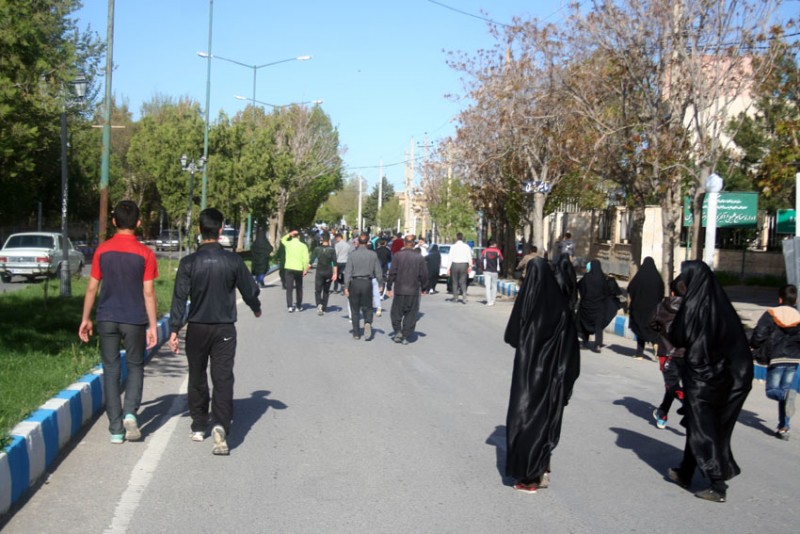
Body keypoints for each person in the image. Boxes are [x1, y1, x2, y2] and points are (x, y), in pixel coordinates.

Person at [168, 208, 262, 455]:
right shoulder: (233, 261)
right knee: (222, 378)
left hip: (197, 327)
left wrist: (174, 329)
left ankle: (199, 425)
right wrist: (256, 307)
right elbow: (249, 289)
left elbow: (179, 298)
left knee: (197, 376)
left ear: (199, 230)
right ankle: (220, 424)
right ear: (220, 230)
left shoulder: (188, 263)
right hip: (224, 329)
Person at [668, 260, 753, 503]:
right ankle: (686, 471)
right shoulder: (721, 303)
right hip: (733, 377)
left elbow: (679, 336)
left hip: (704, 377)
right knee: (702, 425)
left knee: (704, 428)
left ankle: (718, 484)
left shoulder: (694, 304)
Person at [79, 200, 158, 444]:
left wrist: (85, 319)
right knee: (135, 366)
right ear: (138, 223)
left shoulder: (103, 250)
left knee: (111, 369)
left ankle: (115, 428)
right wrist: (153, 325)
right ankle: (131, 414)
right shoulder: (146, 253)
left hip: (107, 318)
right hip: (134, 319)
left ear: (114, 222)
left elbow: (93, 287)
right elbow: (148, 292)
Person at [504, 257, 580, 493]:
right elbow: (572, 355)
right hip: (554, 380)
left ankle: (530, 478)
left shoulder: (529, 307)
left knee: (524, 423)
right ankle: (542, 468)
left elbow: (511, 337)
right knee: (546, 423)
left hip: (528, 379)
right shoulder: (563, 310)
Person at [749, 284, 800, 441]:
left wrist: (753, 346)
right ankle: (784, 428)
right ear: (795, 299)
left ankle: (786, 396)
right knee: (786, 394)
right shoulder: (798, 316)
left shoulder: (771, 314)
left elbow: (759, 334)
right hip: (794, 359)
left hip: (776, 358)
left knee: (772, 391)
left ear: (779, 298)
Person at [649, 277, 687, 430]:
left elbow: (653, 323)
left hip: (667, 351)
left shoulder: (663, 305)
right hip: (686, 353)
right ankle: (663, 413)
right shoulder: (693, 307)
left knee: (671, 386)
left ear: (672, 291)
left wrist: (663, 334)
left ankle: (684, 402)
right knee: (672, 385)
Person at [386, 235, 429, 344]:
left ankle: (398, 332)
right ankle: (405, 335)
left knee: (396, 313)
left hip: (400, 289)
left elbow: (392, 273)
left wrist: (389, 287)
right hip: (413, 290)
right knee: (411, 314)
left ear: (404, 243)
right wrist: (424, 287)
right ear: (414, 244)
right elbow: (424, 274)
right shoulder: (419, 257)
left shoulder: (397, 256)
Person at [344, 232, 382, 340]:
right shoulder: (373, 254)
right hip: (367, 283)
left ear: (358, 242)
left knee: (354, 308)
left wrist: (346, 287)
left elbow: (348, 272)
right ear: (368, 242)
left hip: (355, 283)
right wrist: (381, 283)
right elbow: (378, 270)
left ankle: (356, 333)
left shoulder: (352, 255)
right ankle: (368, 322)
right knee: (368, 307)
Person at [627, 257, 665, 359]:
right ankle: (656, 344)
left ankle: (639, 354)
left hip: (640, 309)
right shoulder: (657, 278)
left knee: (640, 329)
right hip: (654, 310)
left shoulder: (639, 277)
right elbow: (662, 292)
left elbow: (630, 289)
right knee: (654, 329)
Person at [576, 260, 618, 353]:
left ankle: (585, 342)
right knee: (598, 326)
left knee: (584, 323)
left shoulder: (586, 277)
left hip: (586, 305)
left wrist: (584, 297)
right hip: (599, 307)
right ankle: (598, 344)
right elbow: (607, 292)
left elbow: (579, 286)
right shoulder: (602, 278)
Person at [281, 229, 310, 312]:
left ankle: (290, 306)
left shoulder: (288, 244)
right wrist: (305, 269)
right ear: (299, 237)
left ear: (292, 236)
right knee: (299, 288)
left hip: (289, 268)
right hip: (298, 268)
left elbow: (282, 240)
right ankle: (298, 306)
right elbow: (306, 259)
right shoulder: (303, 246)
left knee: (289, 288)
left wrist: (289, 234)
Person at [311, 233, 338, 315]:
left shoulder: (317, 249)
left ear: (322, 239)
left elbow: (311, 261)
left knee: (318, 290)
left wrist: (305, 270)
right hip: (328, 272)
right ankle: (324, 307)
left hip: (319, 272)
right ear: (329, 239)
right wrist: (335, 274)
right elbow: (335, 263)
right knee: (326, 290)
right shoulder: (332, 250)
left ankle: (319, 304)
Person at [448, 232, 472, 303]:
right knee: (463, 281)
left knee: (454, 282)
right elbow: (469, 257)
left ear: (456, 237)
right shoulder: (466, 246)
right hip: (464, 265)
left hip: (455, 264)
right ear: (462, 238)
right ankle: (464, 297)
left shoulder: (453, 246)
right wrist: (470, 266)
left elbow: (450, 258)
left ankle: (455, 298)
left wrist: (448, 268)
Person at [481, 240, 503, 306]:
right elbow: (501, 259)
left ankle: (488, 301)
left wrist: (483, 269)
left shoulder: (485, 251)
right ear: (494, 244)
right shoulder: (498, 251)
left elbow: (481, 260)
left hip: (487, 270)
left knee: (487, 286)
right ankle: (493, 301)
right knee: (494, 286)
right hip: (495, 271)